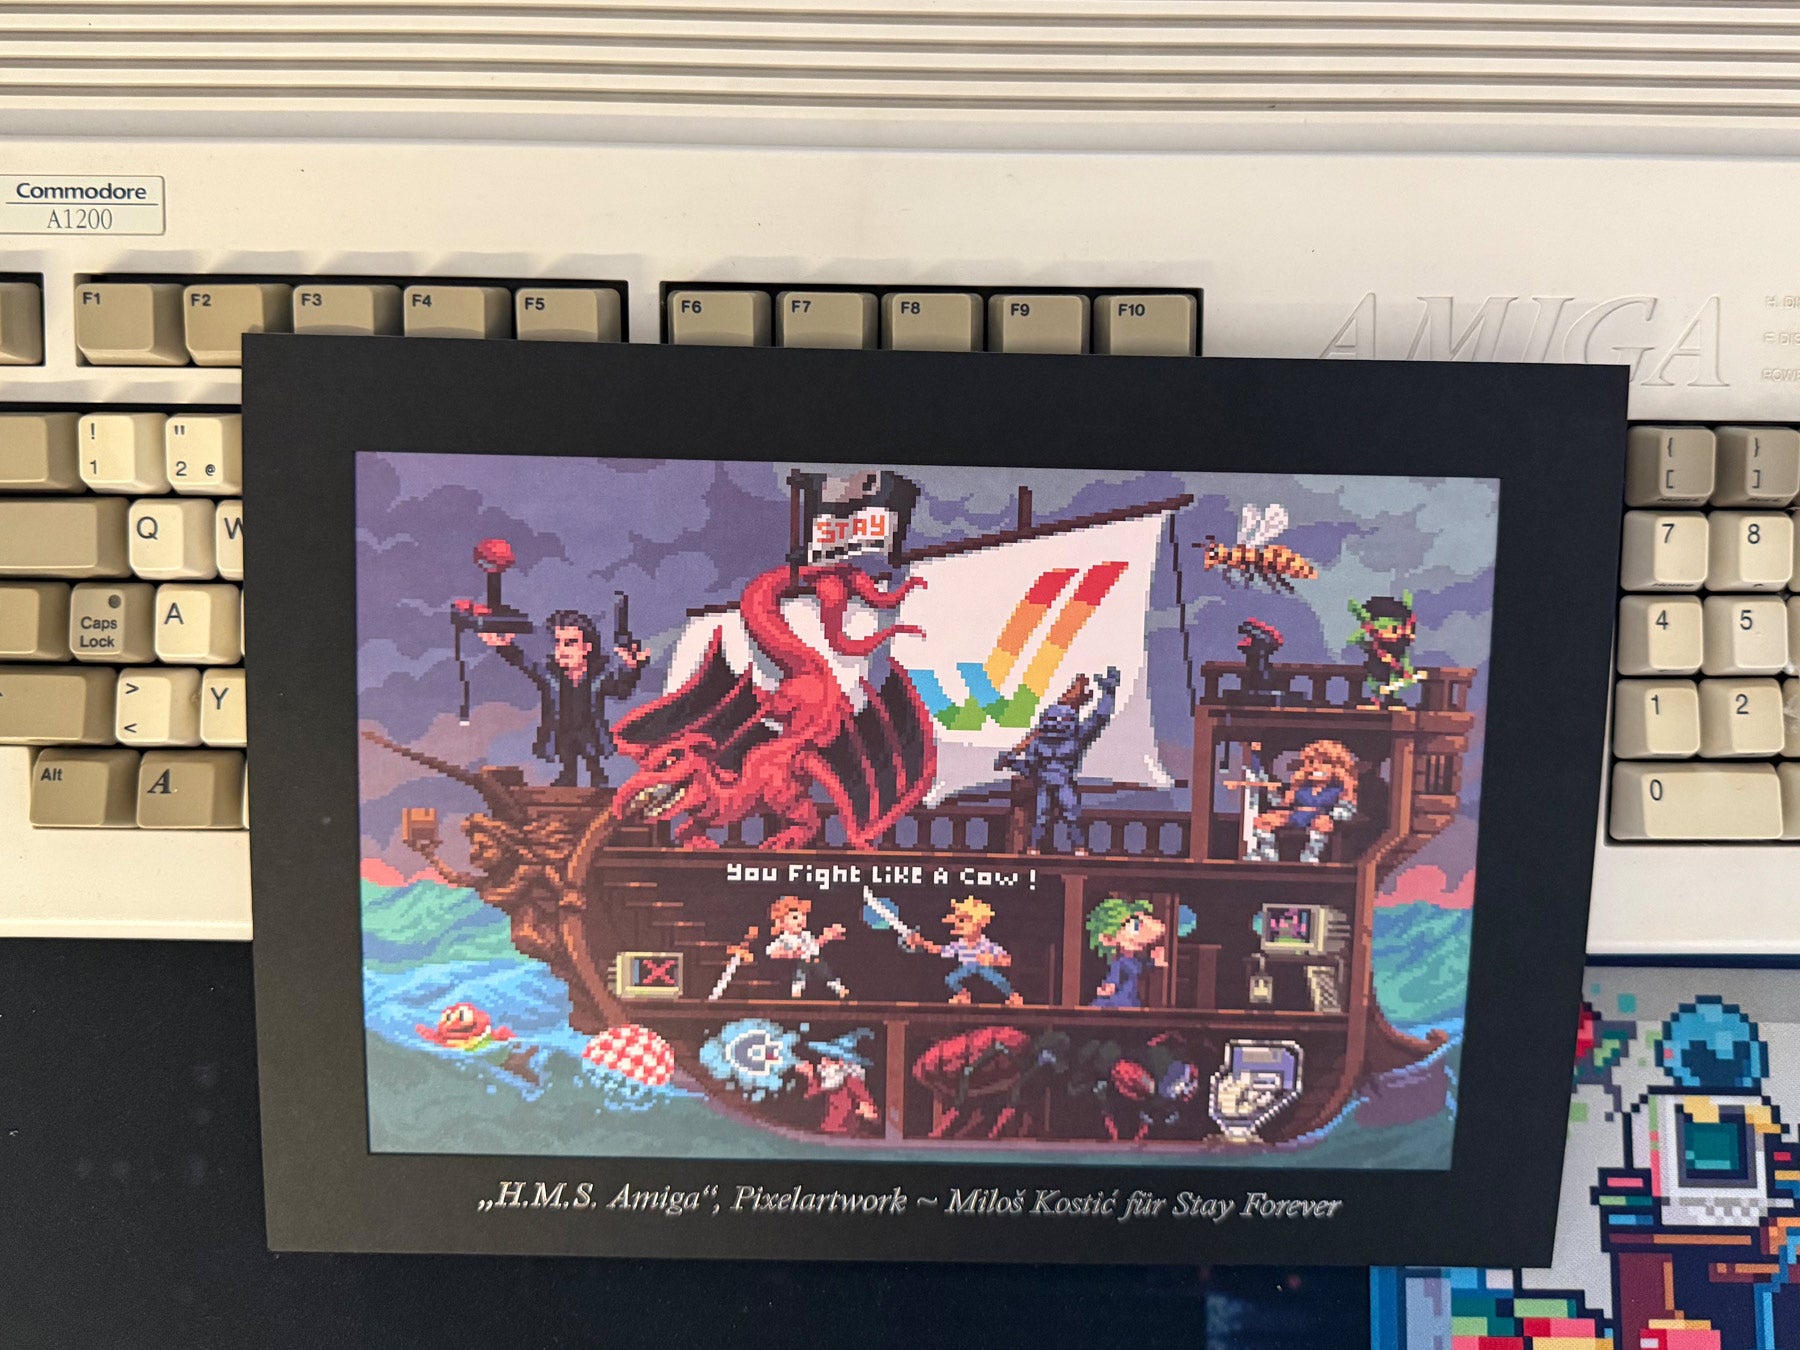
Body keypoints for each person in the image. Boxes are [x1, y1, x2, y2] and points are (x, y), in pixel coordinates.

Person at [480, 608, 648, 787]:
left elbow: (621, 691)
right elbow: (525, 663)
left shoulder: (598, 678)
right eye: (558, 642)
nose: (562, 649)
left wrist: (631, 668)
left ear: (587, 648)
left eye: (570, 643)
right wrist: (505, 646)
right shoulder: (551, 677)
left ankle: (598, 777)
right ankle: (568, 776)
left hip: (588, 729)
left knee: (591, 754)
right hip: (562, 727)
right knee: (566, 753)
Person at [994, 665, 1120, 854]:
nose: (1056, 724)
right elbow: (1029, 767)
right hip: (1044, 783)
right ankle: (1034, 846)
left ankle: (1078, 846)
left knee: (1071, 813)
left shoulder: (1075, 738)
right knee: (1041, 816)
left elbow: (1098, 719)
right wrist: (1010, 762)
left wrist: (1109, 694)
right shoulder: (1039, 743)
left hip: (1063, 783)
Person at [1243, 739, 1358, 865]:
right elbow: (1282, 802)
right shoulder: (1302, 785)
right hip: (1297, 815)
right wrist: (1270, 790)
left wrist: (1333, 816)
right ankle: (1267, 853)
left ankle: (1311, 856)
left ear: (1337, 767)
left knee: (1320, 823)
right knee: (1264, 820)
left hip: (1321, 818)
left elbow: (1347, 810)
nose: (1316, 766)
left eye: (1324, 762)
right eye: (1312, 762)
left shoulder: (1339, 788)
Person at [906, 896, 1025, 1006]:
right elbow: (939, 949)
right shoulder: (960, 944)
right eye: (958, 920)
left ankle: (1012, 996)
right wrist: (922, 942)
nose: (958, 925)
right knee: (951, 979)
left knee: (998, 980)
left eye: (963, 920)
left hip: (983, 967)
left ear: (980, 922)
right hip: (968, 967)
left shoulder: (986, 945)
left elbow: (1007, 960)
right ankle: (963, 994)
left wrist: (992, 960)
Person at [1085, 896, 1167, 1009]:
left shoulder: (1134, 961)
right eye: (1135, 926)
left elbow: (1142, 966)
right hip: (1120, 1001)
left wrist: (1155, 961)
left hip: (1131, 1000)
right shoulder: (1120, 963)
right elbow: (1114, 976)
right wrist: (1110, 987)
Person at [793, 1031, 880, 1135]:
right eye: (823, 1059)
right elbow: (808, 1101)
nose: (823, 1063)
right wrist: (810, 1076)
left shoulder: (852, 1082)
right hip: (824, 1133)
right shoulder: (821, 1080)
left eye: (829, 1059)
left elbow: (872, 1112)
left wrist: (868, 1111)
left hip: (845, 1134)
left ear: (841, 1063)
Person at [765, 895, 849, 999]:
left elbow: (813, 946)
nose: (801, 921)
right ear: (782, 921)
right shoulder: (784, 938)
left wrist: (825, 937)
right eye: (795, 918)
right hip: (793, 967)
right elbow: (771, 951)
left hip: (812, 964)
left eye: (803, 917)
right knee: (802, 965)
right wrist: (790, 954)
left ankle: (835, 985)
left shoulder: (806, 935)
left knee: (819, 964)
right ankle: (797, 986)